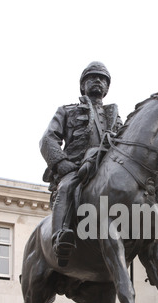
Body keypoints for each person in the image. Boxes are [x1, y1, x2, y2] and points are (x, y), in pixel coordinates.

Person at [40, 62, 123, 266]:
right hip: (77, 168)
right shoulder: (67, 111)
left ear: (107, 87)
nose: (98, 81)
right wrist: (60, 163)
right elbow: (48, 139)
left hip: (108, 171)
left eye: (102, 79)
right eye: (92, 78)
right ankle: (59, 237)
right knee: (67, 187)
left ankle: (152, 246)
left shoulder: (115, 115)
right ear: (82, 86)